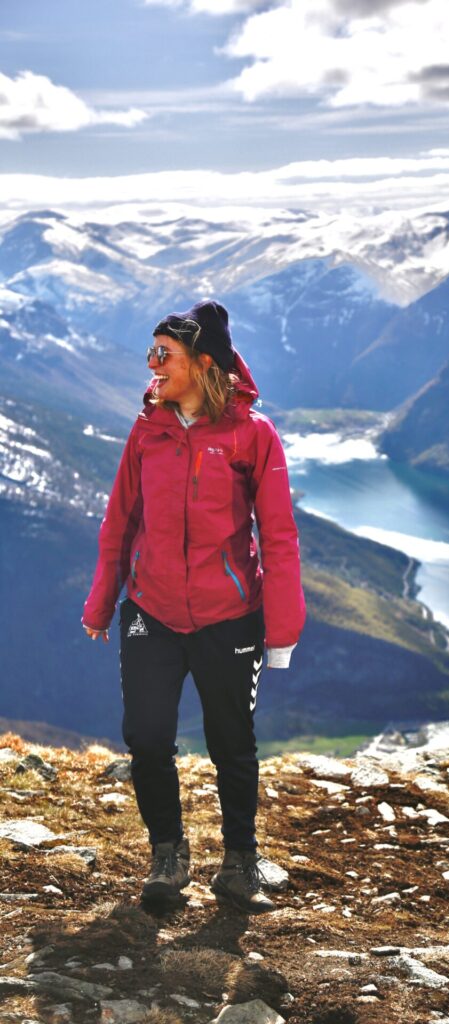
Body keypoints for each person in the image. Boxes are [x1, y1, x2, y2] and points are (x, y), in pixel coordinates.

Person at [81, 299, 305, 912]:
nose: (151, 365)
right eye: (151, 353)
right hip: (151, 612)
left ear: (202, 364)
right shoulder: (146, 430)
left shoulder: (251, 436)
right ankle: (168, 856)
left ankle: (239, 861)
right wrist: (103, 602)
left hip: (228, 618)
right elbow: (119, 521)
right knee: (147, 738)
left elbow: (278, 535)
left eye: (164, 355)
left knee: (232, 740)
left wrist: (282, 629)